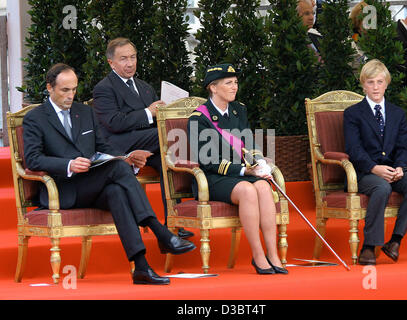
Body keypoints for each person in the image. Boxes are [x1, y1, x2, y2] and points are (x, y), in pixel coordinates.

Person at [23, 63, 196, 285]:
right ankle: (159, 231)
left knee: (117, 191)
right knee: (117, 170)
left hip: (92, 183)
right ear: (49, 87)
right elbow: (33, 159)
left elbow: (104, 147)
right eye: (64, 90)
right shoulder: (35, 118)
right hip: (62, 189)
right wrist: (68, 164)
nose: (70, 95)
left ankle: (141, 267)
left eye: (74, 89)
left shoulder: (85, 112)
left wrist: (128, 156)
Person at [187, 64, 288, 275]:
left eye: (235, 82)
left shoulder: (238, 109)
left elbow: (248, 142)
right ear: (213, 88)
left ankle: (273, 253)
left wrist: (260, 163)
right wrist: (245, 171)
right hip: (214, 177)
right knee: (248, 190)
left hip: (242, 172)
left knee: (262, 186)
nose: (234, 87)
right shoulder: (199, 118)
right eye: (228, 83)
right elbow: (208, 161)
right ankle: (258, 255)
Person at [93, 37, 193, 239]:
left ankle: (172, 221)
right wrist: (149, 112)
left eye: (133, 57)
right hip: (119, 142)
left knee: (169, 160)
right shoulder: (104, 88)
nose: (130, 63)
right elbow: (114, 123)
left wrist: (168, 113)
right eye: (123, 59)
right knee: (171, 136)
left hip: (150, 141)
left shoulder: (145, 87)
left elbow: (156, 121)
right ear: (111, 62)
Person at [343, 59, 407, 265]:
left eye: (380, 82)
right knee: (381, 187)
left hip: (392, 170)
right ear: (363, 84)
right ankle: (370, 246)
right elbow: (354, 149)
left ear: (387, 83)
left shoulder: (397, 113)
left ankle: (395, 241)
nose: (376, 87)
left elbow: (403, 146)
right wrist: (374, 168)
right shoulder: (353, 113)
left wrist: (399, 167)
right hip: (365, 173)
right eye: (370, 82)